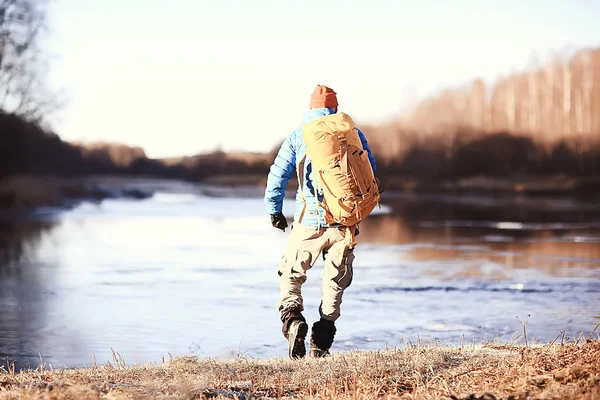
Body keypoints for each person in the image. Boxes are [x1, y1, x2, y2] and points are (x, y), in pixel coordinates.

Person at [264, 85, 377, 359]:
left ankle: (293, 320)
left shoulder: (298, 136)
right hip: (344, 222)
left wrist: (274, 211)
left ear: (311, 108)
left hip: (309, 222)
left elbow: (278, 175)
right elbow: (370, 171)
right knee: (336, 281)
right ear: (335, 107)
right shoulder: (353, 134)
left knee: (291, 274)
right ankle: (322, 340)